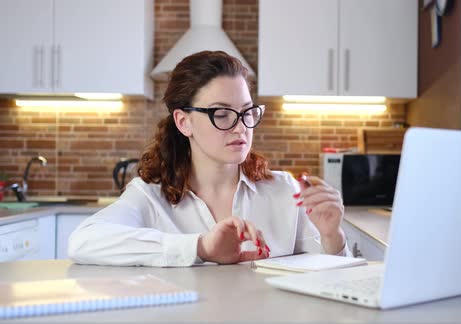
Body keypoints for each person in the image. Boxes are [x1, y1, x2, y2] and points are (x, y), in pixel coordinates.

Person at [68, 51, 350, 267]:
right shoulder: (149, 197)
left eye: (246, 111)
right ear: (184, 122)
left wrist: (332, 235)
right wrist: (200, 248)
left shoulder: (286, 191)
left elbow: (330, 282)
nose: (241, 126)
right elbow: (83, 241)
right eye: (221, 113)